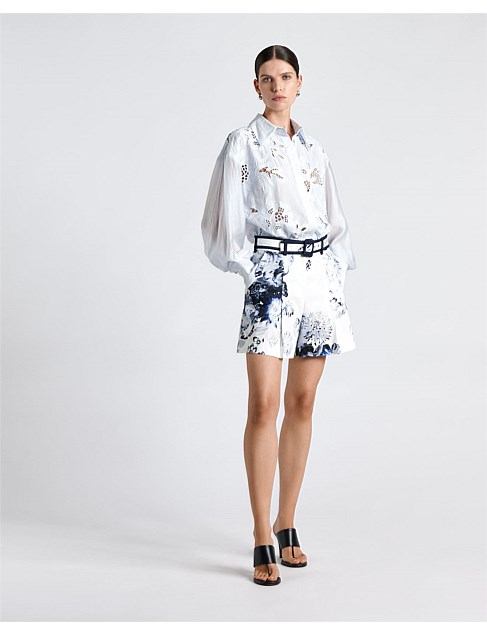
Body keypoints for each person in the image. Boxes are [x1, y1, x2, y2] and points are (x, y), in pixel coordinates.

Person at [201, 44, 357, 586]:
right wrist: (253, 271)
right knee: (264, 403)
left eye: (285, 77)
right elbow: (222, 221)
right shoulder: (241, 144)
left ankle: (286, 521)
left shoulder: (314, 149)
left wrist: (334, 272)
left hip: (318, 281)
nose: (277, 86)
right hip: (271, 279)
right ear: (256, 86)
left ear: (299, 82)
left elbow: (335, 219)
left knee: (303, 401)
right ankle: (260, 532)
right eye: (267, 79)